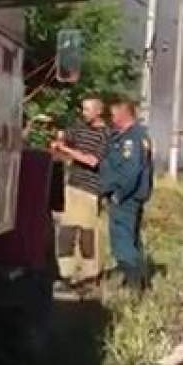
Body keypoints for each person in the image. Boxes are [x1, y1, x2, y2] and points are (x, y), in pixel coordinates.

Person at [49, 97, 110, 284]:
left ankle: (89, 274)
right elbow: (64, 136)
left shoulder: (105, 135)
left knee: (87, 233)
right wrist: (58, 139)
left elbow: (92, 161)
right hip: (73, 185)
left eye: (87, 110)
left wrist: (67, 150)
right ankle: (65, 272)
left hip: (90, 189)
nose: (83, 113)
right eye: (82, 109)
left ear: (98, 111)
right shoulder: (80, 128)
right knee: (67, 231)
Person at [99, 98, 153, 292]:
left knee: (122, 240)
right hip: (128, 196)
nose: (111, 118)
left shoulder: (132, 139)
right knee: (131, 239)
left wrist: (119, 194)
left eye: (114, 114)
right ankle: (138, 280)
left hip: (126, 197)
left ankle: (134, 284)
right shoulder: (126, 136)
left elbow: (131, 171)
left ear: (124, 114)